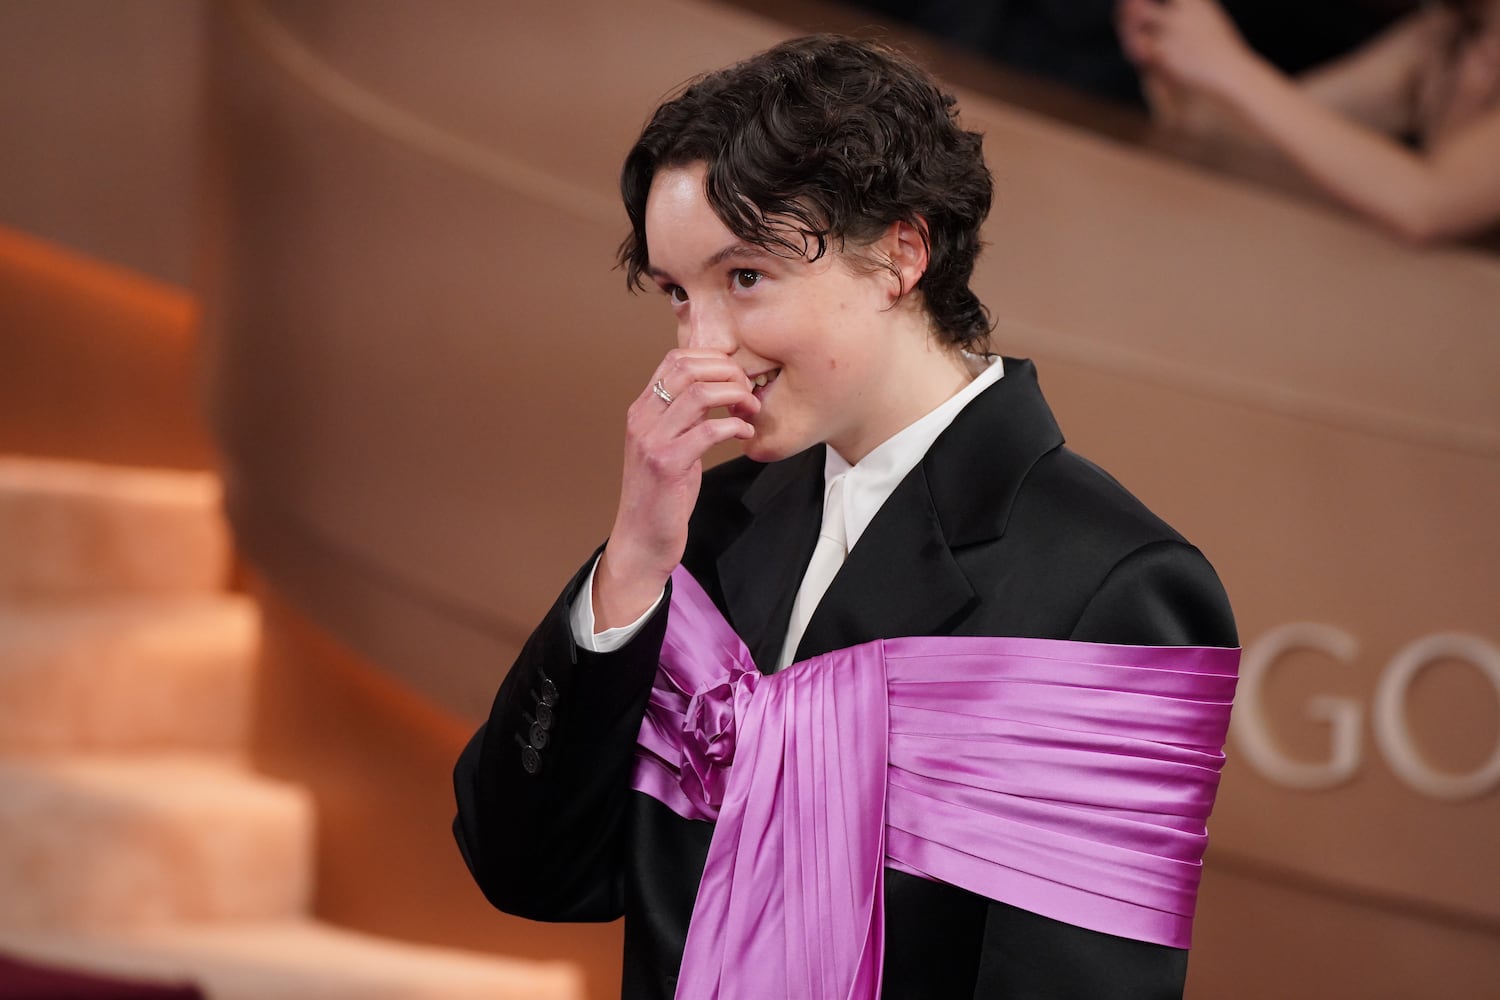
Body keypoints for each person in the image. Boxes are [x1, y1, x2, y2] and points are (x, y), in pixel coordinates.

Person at [454, 34, 1238, 1000]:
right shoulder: (706, 528)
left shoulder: (1114, 582)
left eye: (744, 279)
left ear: (901, 255)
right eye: (675, 295)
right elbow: (528, 870)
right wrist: (633, 559)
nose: (703, 350)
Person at [1117, 0, 1500, 243]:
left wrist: (1225, 64)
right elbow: (1257, 134)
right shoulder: (1443, 40)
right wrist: (1173, 58)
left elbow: (1424, 205)